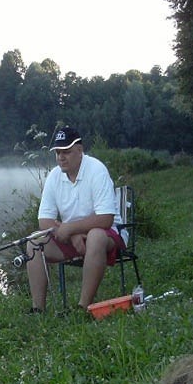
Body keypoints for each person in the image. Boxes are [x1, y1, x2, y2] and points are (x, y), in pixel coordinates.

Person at [25, 126, 126, 312]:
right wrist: (71, 235)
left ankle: (83, 307)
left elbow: (105, 219)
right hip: (73, 238)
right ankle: (38, 309)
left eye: (67, 152)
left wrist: (70, 229)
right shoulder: (54, 176)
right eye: (58, 152)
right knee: (34, 243)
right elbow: (44, 221)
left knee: (95, 235)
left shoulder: (96, 170)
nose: (61, 157)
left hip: (108, 235)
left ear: (80, 151)